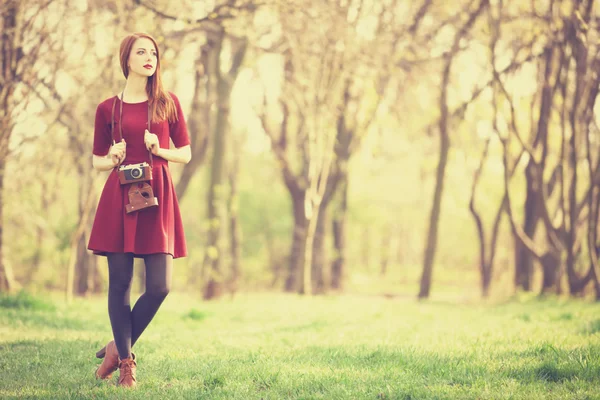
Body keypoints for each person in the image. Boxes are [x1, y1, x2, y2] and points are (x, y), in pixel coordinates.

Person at [87, 32, 191, 388]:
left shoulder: (167, 102)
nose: (150, 58)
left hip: (156, 193)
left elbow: (186, 152)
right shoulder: (107, 108)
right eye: (141, 52)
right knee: (120, 284)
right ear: (126, 59)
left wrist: (160, 149)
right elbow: (97, 161)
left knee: (160, 285)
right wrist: (111, 158)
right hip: (120, 196)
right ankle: (127, 366)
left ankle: (117, 345)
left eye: (154, 53)